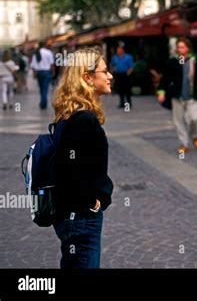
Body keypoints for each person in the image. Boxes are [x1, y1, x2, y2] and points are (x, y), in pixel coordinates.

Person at [51, 48, 114, 268]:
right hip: (80, 217)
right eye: (104, 71)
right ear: (87, 77)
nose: (110, 76)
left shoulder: (72, 113)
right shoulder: (83, 118)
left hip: (72, 216)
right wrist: (92, 203)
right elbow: (69, 168)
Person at [157, 38, 197, 153]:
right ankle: (184, 144)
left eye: (182, 47)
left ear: (187, 48)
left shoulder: (194, 62)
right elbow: (165, 79)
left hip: (192, 97)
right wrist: (162, 92)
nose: (179, 49)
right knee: (178, 121)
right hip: (177, 97)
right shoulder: (172, 62)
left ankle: (195, 135)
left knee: (194, 119)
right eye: (178, 47)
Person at [30, 42, 55, 109]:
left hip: (39, 73)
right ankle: (43, 103)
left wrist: (34, 74)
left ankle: (43, 103)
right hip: (47, 72)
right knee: (45, 88)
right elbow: (52, 64)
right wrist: (53, 72)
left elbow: (33, 65)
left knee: (41, 88)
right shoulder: (48, 52)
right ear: (44, 45)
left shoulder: (36, 53)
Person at [110, 43, 134, 109]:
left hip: (125, 75)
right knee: (120, 90)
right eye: (117, 50)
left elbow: (131, 66)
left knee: (127, 90)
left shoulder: (128, 57)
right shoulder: (115, 58)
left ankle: (128, 104)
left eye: (119, 50)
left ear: (122, 50)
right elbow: (111, 65)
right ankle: (122, 103)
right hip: (118, 74)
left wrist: (128, 73)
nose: (118, 51)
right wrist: (112, 72)